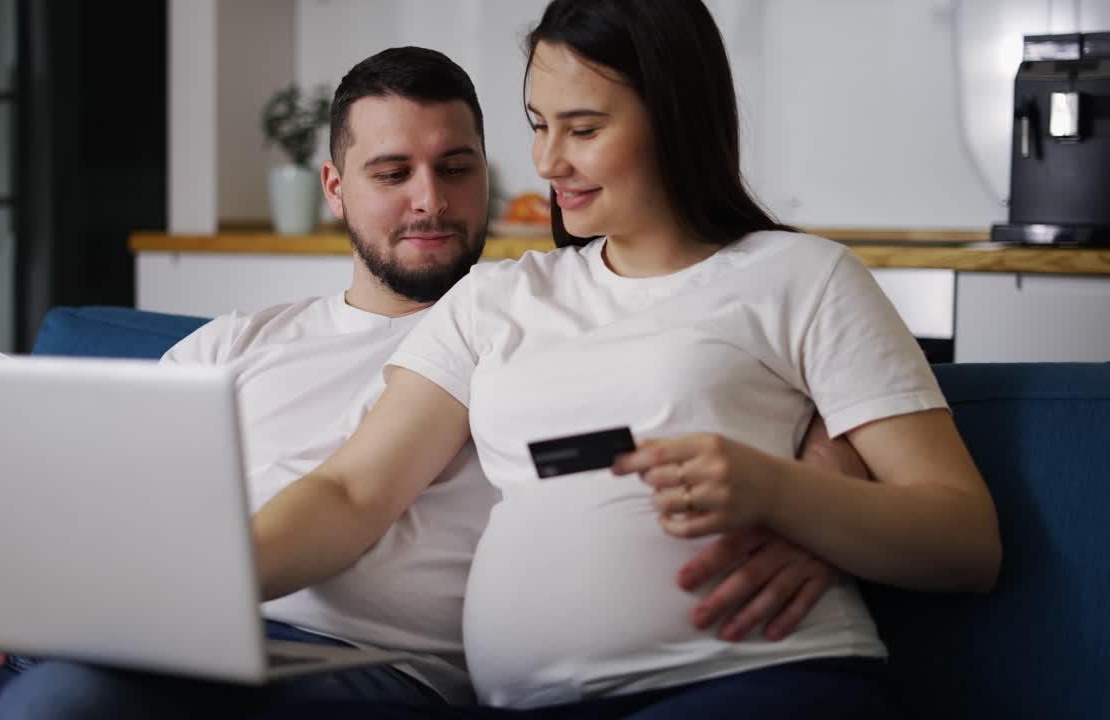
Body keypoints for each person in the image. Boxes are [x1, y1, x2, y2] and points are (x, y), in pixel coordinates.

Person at [0, 46, 856, 720]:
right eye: (391, 172)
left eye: (455, 167)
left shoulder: (530, 321)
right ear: (333, 186)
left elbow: (739, 367)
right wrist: (72, 597)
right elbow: (114, 505)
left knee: (62, 703)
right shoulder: (237, 342)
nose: (429, 201)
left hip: (350, 663)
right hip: (162, 635)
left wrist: (817, 489)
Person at [239, 2, 1003, 718]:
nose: (548, 160)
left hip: (754, 680)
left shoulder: (803, 277)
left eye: (583, 128)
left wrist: (781, 490)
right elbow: (350, 493)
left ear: (674, 119)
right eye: (539, 125)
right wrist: (207, 584)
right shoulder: (496, 299)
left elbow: (966, 542)